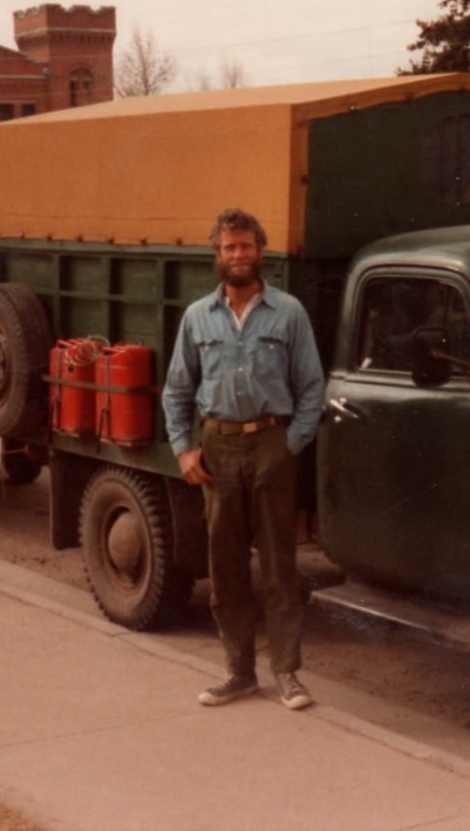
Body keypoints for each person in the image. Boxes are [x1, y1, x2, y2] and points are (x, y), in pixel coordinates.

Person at [162, 208, 326, 711]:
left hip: (271, 443)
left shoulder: (288, 313)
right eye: (229, 247)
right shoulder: (197, 317)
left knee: (279, 565)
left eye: (246, 246)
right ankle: (238, 672)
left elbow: (312, 387)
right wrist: (183, 449)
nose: (238, 254)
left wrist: (289, 445)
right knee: (226, 566)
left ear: (260, 251)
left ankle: (287, 673)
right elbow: (177, 390)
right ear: (218, 254)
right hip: (218, 449)